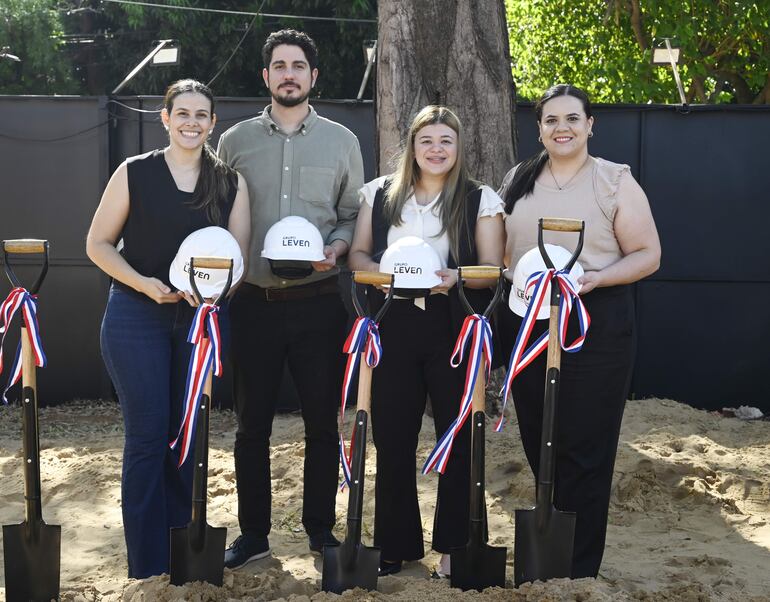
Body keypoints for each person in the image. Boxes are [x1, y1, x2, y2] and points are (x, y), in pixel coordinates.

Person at [86, 79, 250, 578]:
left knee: (188, 437)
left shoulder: (230, 183)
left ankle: (183, 561)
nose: (192, 122)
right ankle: (147, 568)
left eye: (202, 114)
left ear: (213, 123)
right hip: (137, 316)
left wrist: (211, 296)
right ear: (164, 117)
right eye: (182, 112)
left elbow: (237, 262)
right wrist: (144, 283)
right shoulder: (134, 173)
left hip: (197, 324)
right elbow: (98, 244)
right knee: (148, 436)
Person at [497, 83, 661, 579]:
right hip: (527, 317)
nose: (561, 128)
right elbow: (503, 251)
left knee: (586, 445)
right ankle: (548, 540)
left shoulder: (615, 181)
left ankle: (578, 567)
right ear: (539, 128)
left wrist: (596, 279)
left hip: (595, 319)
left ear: (590, 125)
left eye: (572, 119)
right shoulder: (518, 178)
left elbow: (648, 255)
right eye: (551, 120)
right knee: (539, 436)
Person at [216, 29, 364, 568]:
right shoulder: (233, 142)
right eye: (279, 65)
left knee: (323, 423)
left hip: (320, 301)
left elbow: (352, 214)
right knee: (251, 426)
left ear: (313, 76)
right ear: (266, 76)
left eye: (298, 65)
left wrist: (340, 247)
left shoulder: (342, 141)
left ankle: (320, 530)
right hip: (253, 302)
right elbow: (216, 210)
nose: (288, 74)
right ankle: (253, 533)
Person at [348, 105, 505, 576]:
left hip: (452, 324)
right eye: (426, 141)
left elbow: (493, 272)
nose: (436, 150)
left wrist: (453, 277)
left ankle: (454, 547)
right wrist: (383, 276)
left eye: (446, 142)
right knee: (392, 437)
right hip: (392, 322)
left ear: (458, 149)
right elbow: (357, 253)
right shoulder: (380, 194)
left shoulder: (479, 198)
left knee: (456, 436)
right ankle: (394, 546)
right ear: (412, 147)